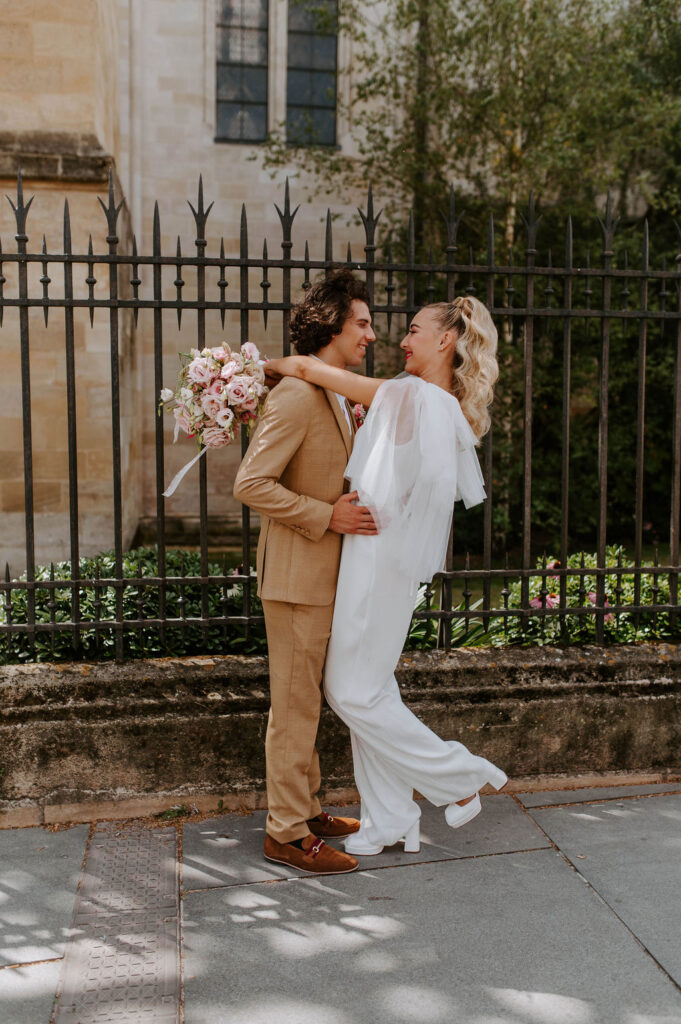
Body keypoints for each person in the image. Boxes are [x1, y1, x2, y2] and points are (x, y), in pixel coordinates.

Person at [264, 296, 508, 856]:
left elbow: (305, 367)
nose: (403, 339)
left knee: (349, 691)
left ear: (446, 340)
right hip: (382, 557)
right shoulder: (441, 403)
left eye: (415, 331)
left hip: (375, 560)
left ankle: (457, 774)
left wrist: (253, 369)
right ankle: (391, 817)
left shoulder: (408, 394)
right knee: (371, 689)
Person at [233, 270, 378, 875]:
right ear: (333, 327)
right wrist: (328, 515)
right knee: (293, 708)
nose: (371, 334)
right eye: (362, 324)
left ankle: (307, 808)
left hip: (320, 579)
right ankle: (286, 834)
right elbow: (251, 484)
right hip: (295, 579)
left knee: (305, 704)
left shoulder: (325, 390)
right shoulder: (295, 395)